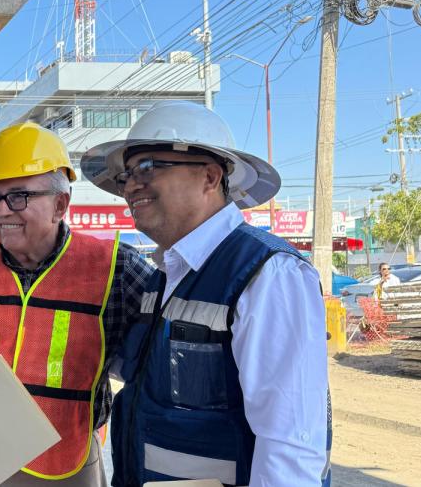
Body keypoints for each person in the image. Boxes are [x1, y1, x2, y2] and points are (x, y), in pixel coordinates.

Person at [79, 100, 330, 487]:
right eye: (127, 175)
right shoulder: (164, 276)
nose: (130, 185)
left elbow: (289, 446)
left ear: (210, 177)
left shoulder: (269, 273)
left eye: (148, 167)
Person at [0, 122, 155, 486]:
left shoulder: (116, 269)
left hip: (67, 465)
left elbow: (161, 356)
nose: (2, 211)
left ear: (61, 204)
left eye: (18, 196)